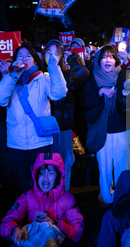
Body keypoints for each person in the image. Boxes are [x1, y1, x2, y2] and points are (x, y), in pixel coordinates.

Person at [0, 44, 67, 194]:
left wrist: (53, 67)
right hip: (16, 143)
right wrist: (11, 75)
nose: (23, 59)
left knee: (43, 180)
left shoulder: (43, 78)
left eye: (28, 56)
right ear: (14, 61)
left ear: (35, 60)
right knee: (21, 181)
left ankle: (42, 212)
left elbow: (58, 93)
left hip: (40, 140)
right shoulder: (10, 79)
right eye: (20, 56)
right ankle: (25, 213)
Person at [0, 153, 84, 246]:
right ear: (36, 175)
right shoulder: (27, 197)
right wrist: (13, 230)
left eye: (51, 173)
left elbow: (77, 231)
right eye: (41, 173)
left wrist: (55, 223)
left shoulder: (67, 200)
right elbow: (7, 221)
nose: (45, 177)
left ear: (58, 177)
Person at [81, 45, 127, 205]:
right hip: (102, 131)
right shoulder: (92, 78)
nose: (108, 60)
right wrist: (100, 93)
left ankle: (122, 197)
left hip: (122, 129)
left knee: (122, 165)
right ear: (98, 60)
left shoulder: (123, 76)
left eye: (112, 57)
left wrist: (127, 92)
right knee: (105, 166)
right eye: (104, 57)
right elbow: (85, 102)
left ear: (116, 60)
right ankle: (106, 197)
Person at [41, 39, 89, 191]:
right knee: (44, 166)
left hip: (62, 126)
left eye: (57, 53)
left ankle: (63, 197)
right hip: (41, 128)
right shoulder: (38, 74)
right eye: (49, 52)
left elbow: (82, 75)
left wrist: (73, 58)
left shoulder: (67, 75)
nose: (52, 56)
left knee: (64, 162)